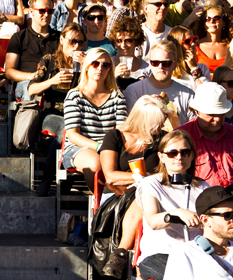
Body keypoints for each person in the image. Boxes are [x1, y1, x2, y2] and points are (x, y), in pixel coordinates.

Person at [97, 95, 175, 277]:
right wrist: (145, 178)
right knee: (145, 195)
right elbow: (110, 175)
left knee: (146, 195)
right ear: (145, 120)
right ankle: (135, 267)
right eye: (158, 122)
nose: (161, 126)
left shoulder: (161, 139)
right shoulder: (114, 136)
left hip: (151, 194)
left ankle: (122, 254)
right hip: (117, 196)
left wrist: (142, 181)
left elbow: (169, 171)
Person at [132, 130, 210, 280]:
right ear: (161, 157)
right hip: (160, 254)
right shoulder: (150, 184)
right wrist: (178, 213)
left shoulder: (203, 186)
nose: (179, 157)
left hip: (196, 254)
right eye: (172, 153)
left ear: (192, 155)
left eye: (185, 152)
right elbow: (153, 222)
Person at [28, 23, 87, 195]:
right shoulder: (49, 59)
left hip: (79, 115)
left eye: (81, 43)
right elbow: (31, 89)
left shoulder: (87, 64)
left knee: (71, 129)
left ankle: (64, 181)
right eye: (72, 42)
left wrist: (87, 67)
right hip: (53, 113)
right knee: (66, 130)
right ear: (62, 40)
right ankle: (50, 179)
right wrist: (52, 81)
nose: (76, 46)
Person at [62, 48, 128, 190]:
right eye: (95, 63)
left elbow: (121, 131)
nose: (100, 68)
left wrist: (108, 148)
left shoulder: (117, 97)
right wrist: (99, 147)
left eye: (106, 65)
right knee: (95, 163)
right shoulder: (75, 96)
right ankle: (101, 202)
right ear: (86, 67)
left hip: (110, 147)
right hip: (80, 148)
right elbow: (73, 135)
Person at [178, 83, 233, 188]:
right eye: (211, 114)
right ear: (197, 111)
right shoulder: (180, 138)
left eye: (222, 113)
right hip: (200, 200)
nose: (218, 119)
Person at [5, 0, 60, 100]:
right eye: (42, 11)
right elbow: (9, 71)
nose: (46, 15)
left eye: (50, 11)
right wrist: (33, 76)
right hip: (27, 83)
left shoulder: (60, 38)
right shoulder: (19, 37)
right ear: (31, 12)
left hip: (53, 84)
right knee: (29, 89)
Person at [125, 41, 195, 125]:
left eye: (166, 63)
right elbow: (132, 126)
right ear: (149, 65)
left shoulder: (188, 94)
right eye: (155, 63)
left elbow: (192, 129)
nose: (160, 67)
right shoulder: (134, 90)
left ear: (174, 65)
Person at [194, 5, 233, 76]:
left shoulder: (232, 46)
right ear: (204, 24)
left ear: (224, 23)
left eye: (217, 18)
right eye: (207, 19)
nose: (212, 21)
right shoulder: (195, 45)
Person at [110, 17, 148, 90]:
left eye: (128, 41)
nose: (123, 45)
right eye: (119, 41)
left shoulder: (147, 68)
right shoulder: (108, 64)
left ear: (136, 41)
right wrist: (113, 76)